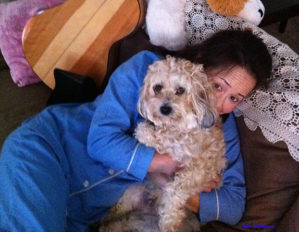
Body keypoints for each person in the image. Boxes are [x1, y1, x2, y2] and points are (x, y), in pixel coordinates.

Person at [0, 30, 272, 232]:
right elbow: (101, 141)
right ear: (198, 64)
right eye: (218, 86)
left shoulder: (221, 126)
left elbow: (233, 205)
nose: (220, 104)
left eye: (235, 98)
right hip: (50, 150)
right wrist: (165, 164)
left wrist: (176, 188)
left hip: (84, 214)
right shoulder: (146, 71)